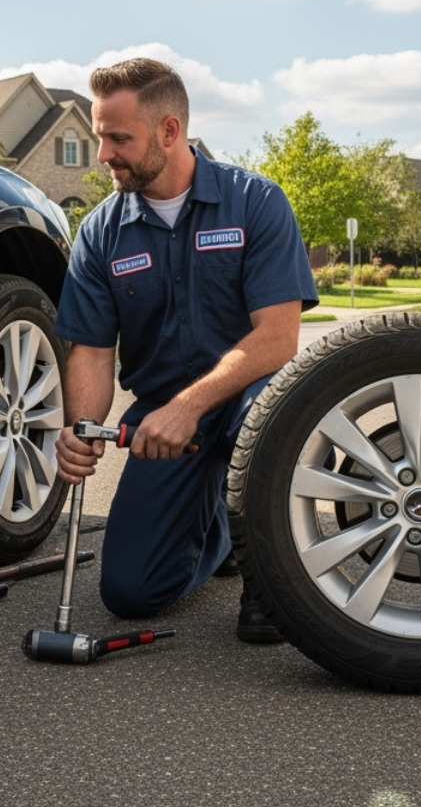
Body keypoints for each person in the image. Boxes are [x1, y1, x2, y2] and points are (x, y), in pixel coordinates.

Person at [53, 58, 316, 642]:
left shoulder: (256, 203)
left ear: (169, 131)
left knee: (265, 413)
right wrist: (82, 429)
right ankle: (220, 530)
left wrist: (189, 406)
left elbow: (278, 337)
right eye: (100, 138)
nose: (104, 155)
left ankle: (270, 576)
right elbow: (92, 350)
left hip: (250, 400)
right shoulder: (100, 232)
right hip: (163, 420)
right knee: (130, 594)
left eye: (119, 139)